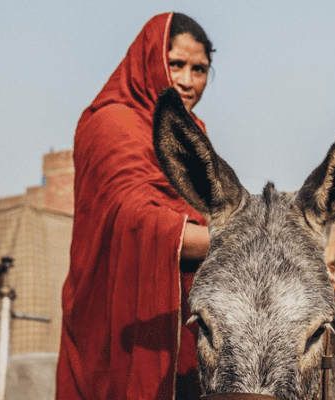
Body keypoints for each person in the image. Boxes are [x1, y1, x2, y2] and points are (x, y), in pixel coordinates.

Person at [55, 12, 215, 400]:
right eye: (175, 64)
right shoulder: (112, 122)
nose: (187, 81)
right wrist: (230, 240)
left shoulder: (194, 134)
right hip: (117, 322)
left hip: (184, 321)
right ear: (150, 59)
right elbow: (132, 219)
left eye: (200, 69)